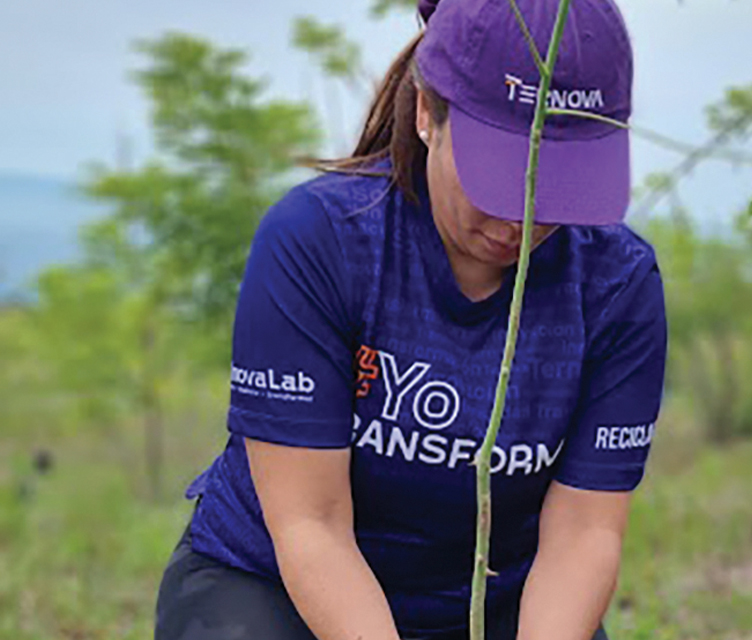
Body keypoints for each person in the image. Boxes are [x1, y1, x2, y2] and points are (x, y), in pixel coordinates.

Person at [154, 1, 667, 639]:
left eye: (556, 185)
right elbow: (311, 525)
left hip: (492, 600)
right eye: (500, 179)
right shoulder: (322, 243)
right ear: (428, 112)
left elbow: (583, 535)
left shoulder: (615, 284)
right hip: (277, 588)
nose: (520, 219)